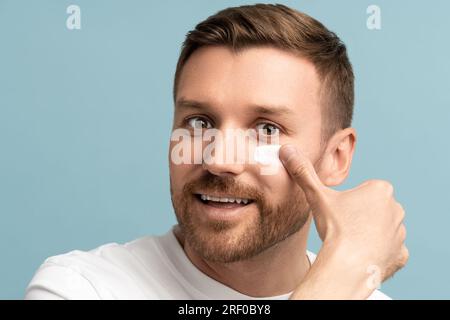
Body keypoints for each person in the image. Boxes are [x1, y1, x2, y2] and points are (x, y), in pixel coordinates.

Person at [25, 3, 408, 300]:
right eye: (199, 123)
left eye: (266, 129)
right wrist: (346, 270)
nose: (219, 160)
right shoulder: (79, 287)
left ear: (336, 157)